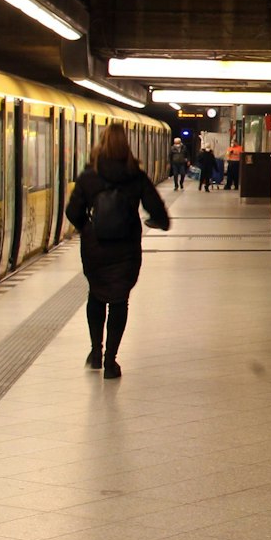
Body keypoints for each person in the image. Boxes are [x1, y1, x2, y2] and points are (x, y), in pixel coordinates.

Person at [64, 123, 169, 380]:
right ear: (127, 146)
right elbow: (157, 211)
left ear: (101, 143)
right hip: (126, 248)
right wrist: (154, 222)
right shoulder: (135, 175)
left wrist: (88, 228)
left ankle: (95, 352)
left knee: (96, 296)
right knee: (119, 300)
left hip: (95, 248)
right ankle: (111, 361)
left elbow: (72, 212)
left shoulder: (90, 175)